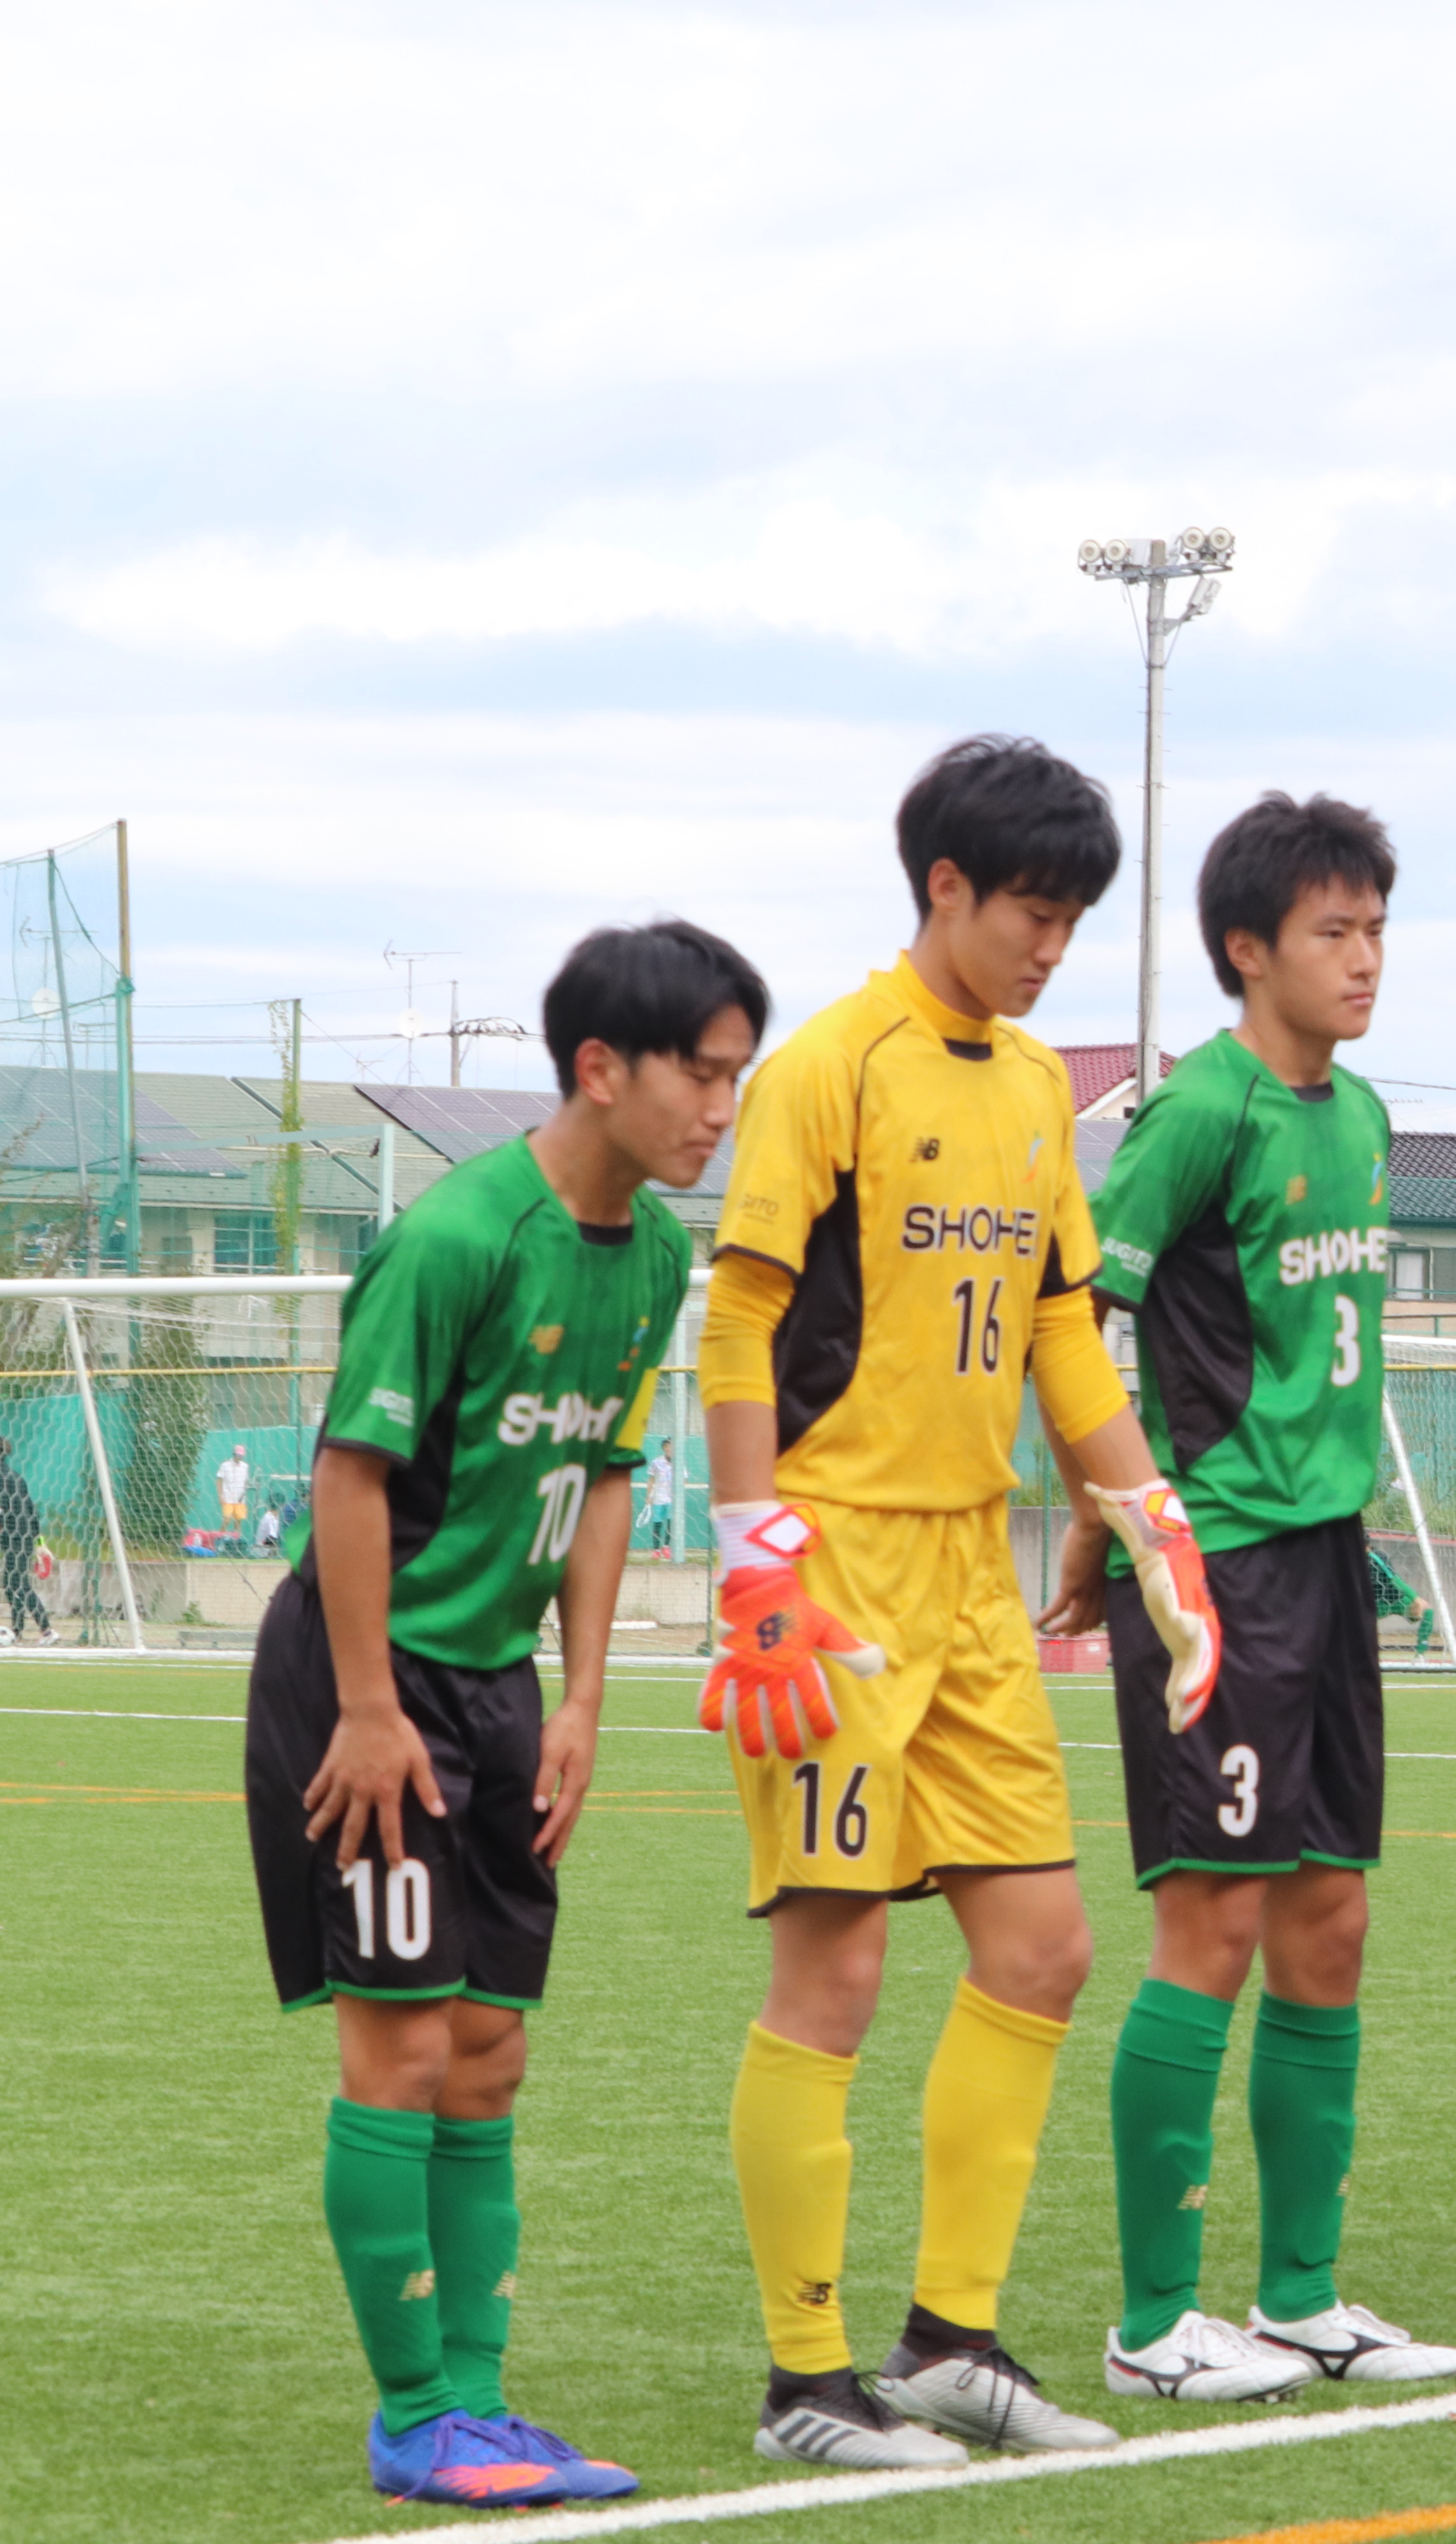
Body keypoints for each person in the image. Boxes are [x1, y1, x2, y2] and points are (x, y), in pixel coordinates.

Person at [699, 736, 1223, 2469]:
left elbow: (1066, 1326)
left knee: (1045, 1949)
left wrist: (1146, 1511)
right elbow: (746, 1314)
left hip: (976, 1574)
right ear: (943, 888)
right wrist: (751, 1550)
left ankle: (950, 2345)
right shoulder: (827, 1066)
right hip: (831, 1570)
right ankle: (803, 2385)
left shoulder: (1031, 1097)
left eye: (1073, 921)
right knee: (833, 1977)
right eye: (1031, 913)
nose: (1050, 947)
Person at [242, 920, 762, 2503]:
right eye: (701, 1073)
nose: (721, 1108)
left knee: (487, 2052)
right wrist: (369, 1702)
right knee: (396, 2048)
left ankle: (477, 2400)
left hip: (500, 1688)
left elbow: (603, 1478)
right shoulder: (460, 1236)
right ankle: (415, 2416)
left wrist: (587, 1694)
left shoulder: (659, 1254)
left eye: (741, 1076)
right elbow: (350, 1472)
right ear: (600, 1068)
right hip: (368, 1681)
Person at [1052, 791, 1456, 2398]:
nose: (1365, 960)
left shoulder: (1358, 1120)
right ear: (1249, 949)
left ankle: (1300, 2294)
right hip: (1212, 1565)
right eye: (1333, 932)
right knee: (1208, 1925)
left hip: (1327, 1558)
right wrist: (1119, 1523)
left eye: (1376, 929)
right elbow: (1080, 1317)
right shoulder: (1197, 1112)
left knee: (1330, 1922)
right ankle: (1155, 2321)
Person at [0, 1437, 51, 1640]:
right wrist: (40, 1544)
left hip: (15, 1537)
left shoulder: (4, 1478)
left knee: (18, 1584)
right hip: (23, 1537)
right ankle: (17, 1630)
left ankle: (47, 1630)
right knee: (12, 1583)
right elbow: (32, 1511)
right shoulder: (17, 1477)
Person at [219, 1442, 255, 1547]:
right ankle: (219, 1539)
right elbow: (219, 1480)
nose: (239, 1457)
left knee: (238, 1521)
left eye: (241, 1456)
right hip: (228, 1497)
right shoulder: (225, 1465)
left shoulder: (245, 1467)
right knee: (227, 1519)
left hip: (240, 1498)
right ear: (234, 1454)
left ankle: (236, 1543)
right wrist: (220, 1495)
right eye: (238, 1455)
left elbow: (245, 1481)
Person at [643, 1446, 676, 1557]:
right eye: (668, 1446)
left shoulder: (679, 1462)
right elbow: (651, 1480)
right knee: (657, 1524)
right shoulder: (656, 1462)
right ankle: (656, 1550)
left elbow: (684, 1479)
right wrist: (649, 1496)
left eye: (671, 1446)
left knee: (671, 1523)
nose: (670, 1449)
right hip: (658, 1497)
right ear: (664, 1448)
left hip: (673, 1499)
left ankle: (666, 1547)